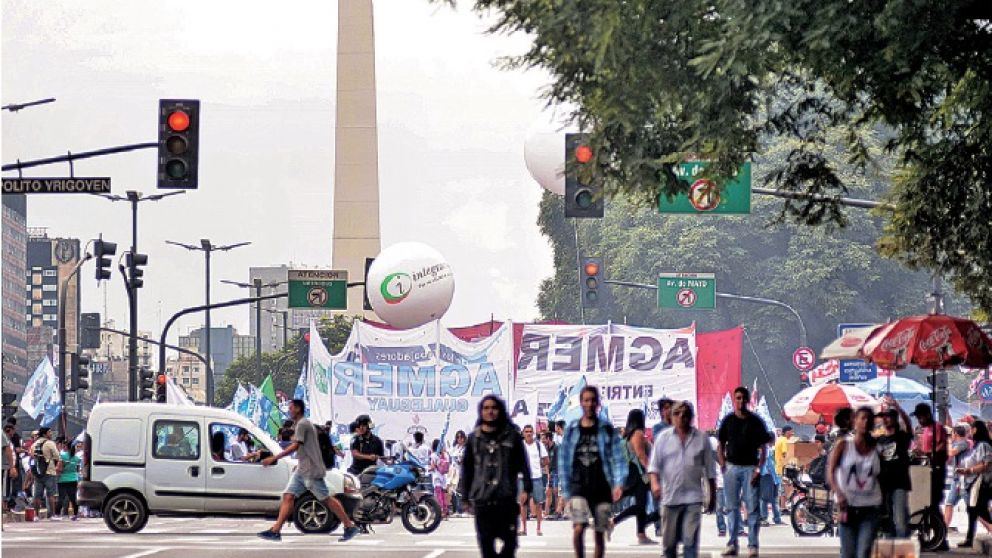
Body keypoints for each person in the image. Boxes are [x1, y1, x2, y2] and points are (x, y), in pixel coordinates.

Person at [257, 399, 360, 542]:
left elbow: (295, 446)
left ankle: (349, 526)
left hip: (311, 469)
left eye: (291, 408)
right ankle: (276, 530)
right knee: (288, 496)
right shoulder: (301, 424)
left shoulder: (303, 424)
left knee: (325, 498)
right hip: (303, 468)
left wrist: (274, 458)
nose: (289, 410)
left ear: (298, 409)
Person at [458, 395, 532, 558]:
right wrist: (465, 497)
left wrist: (527, 488)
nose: (490, 411)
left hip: (505, 498)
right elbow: (467, 469)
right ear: (481, 411)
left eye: (494, 408)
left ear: (500, 410)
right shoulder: (473, 438)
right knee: (486, 546)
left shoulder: (512, 436)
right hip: (483, 500)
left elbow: (524, 464)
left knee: (510, 543)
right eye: (486, 408)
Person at [558, 386, 626, 558]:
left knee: (599, 532)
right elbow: (564, 461)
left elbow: (618, 458)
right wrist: (565, 490)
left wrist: (619, 482)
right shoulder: (572, 429)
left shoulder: (607, 429)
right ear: (581, 403)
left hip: (601, 485)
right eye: (586, 400)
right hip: (578, 485)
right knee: (579, 528)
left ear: (598, 403)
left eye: (592, 400)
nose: (589, 404)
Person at [649, 401, 716, 558]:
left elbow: (710, 472)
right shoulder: (663, 439)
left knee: (690, 543)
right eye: (677, 414)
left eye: (685, 414)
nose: (681, 418)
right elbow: (653, 467)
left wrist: (712, 496)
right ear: (671, 417)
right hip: (669, 499)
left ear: (691, 417)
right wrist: (655, 484)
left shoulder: (701, 439)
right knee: (669, 547)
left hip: (693, 499)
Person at [717, 386, 772, 558]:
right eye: (738, 398)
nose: (740, 401)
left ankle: (753, 545)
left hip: (750, 468)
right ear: (735, 399)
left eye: (743, 398)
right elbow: (720, 445)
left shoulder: (756, 421)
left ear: (748, 400)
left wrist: (758, 468)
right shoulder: (728, 421)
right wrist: (723, 464)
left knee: (752, 507)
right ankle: (732, 543)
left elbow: (764, 449)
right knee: (731, 507)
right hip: (732, 468)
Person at [828, 406, 882, 558]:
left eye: (868, 419)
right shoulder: (844, 445)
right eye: (862, 418)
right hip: (848, 506)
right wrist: (838, 493)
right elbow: (831, 471)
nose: (865, 422)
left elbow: (880, 476)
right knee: (848, 552)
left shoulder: (876, 447)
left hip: (871, 506)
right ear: (854, 421)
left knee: (864, 551)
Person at [614, 409, 655, 544]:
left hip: (632, 472)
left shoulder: (628, 435)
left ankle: (641, 533)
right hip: (639, 473)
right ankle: (614, 522)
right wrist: (652, 472)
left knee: (640, 504)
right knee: (641, 505)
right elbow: (641, 456)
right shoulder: (637, 434)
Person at [876, 398, 912, 538]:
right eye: (884, 418)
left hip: (899, 483)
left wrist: (897, 406)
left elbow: (908, 424)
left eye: (889, 417)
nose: (886, 420)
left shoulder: (902, 437)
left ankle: (902, 547)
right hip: (883, 485)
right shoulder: (879, 439)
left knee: (900, 519)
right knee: (886, 519)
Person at [954, 420, 992, 547]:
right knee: (973, 511)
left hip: (980, 481)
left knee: (978, 509)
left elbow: (986, 464)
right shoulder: (976, 445)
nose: (970, 432)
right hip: (972, 481)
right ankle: (969, 538)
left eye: (972, 429)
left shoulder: (983, 445)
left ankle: (970, 538)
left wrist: (968, 470)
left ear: (976, 429)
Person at [911, 402, 948, 531]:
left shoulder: (937, 427)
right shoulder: (925, 430)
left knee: (933, 502)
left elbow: (941, 445)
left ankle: (940, 534)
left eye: (920, 417)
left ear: (927, 415)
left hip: (937, 468)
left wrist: (929, 453)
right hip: (926, 469)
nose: (919, 421)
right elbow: (922, 448)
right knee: (928, 502)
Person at [519, 424, 548, 536]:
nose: (529, 433)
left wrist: (538, 465)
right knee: (523, 504)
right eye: (526, 431)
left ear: (533, 433)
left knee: (539, 504)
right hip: (523, 478)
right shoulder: (520, 446)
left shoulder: (539, 445)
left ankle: (538, 529)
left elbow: (546, 460)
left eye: (530, 431)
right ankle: (524, 529)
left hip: (536, 477)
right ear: (523, 433)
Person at [945, 424, 972, 531]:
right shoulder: (959, 443)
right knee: (949, 503)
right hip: (957, 479)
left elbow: (951, 453)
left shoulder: (963, 443)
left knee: (974, 508)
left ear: (955, 434)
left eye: (951, 434)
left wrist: (948, 441)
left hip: (963, 480)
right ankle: (943, 528)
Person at [31, 427, 60, 520]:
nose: (51, 434)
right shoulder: (50, 443)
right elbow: (57, 456)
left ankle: (36, 515)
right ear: (44, 434)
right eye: (49, 432)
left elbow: (31, 455)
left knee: (37, 495)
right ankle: (52, 515)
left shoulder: (34, 444)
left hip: (37, 472)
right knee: (51, 494)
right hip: (49, 471)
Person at [758, 441, 783, 526]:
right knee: (765, 498)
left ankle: (777, 518)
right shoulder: (764, 450)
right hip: (767, 476)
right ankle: (764, 518)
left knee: (774, 498)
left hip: (774, 476)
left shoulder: (771, 449)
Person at [708, 431, 728, 537]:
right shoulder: (713, 455)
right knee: (720, 508)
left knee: (733, 508)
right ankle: (722, 528)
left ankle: (738, 528)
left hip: (730, 483)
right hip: (720, 485)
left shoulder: (730, 451)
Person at [56, 441, 81, 520]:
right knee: (73, 498)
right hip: (73, 479)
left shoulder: (62, 456)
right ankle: (75, 515)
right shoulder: (77, 458)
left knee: (61, 497)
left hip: (62, 479)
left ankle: (57, 514)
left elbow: (59, 468)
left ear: (67, 447)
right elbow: (77, 470)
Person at [541, 430, 562, 519]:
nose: (542, 441)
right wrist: (548, 472)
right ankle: (546, 513)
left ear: (548, 438)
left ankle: (558, 512)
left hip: (557, 472)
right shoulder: (546, 448)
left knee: (556, 492)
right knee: (548, 492)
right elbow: (546, 462)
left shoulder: (557, 448)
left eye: (544, 439)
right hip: (550, 472)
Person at [429, 439, 450, 519]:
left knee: (438, 495)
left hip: (437, 477)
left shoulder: (433, 455)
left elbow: (433, 467)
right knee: (443, 495)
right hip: (444, 477)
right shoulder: (446, 455)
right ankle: (445, 511)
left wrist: (429, 469)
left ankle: (440, 511)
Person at [773, 426, 793, 510]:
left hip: (778, 467)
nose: (792, 433)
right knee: (784, 489)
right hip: (783, 468)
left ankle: (781, 507)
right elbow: (785, 453)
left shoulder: (779, 439)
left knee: (781, 489)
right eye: (791, 432)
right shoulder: (784, 440)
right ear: (787, 432)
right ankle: (783, 507)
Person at [449, 430, 467, 517]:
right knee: (454, 491)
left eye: (461, 437)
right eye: (458, 437)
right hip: (454, 471)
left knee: (461, 491)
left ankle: (461, 510)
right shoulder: (454, 447)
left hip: (462, 472)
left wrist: (461, 460)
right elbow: (451, 457)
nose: (459, 439)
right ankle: (455, 509)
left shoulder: (466, 448)